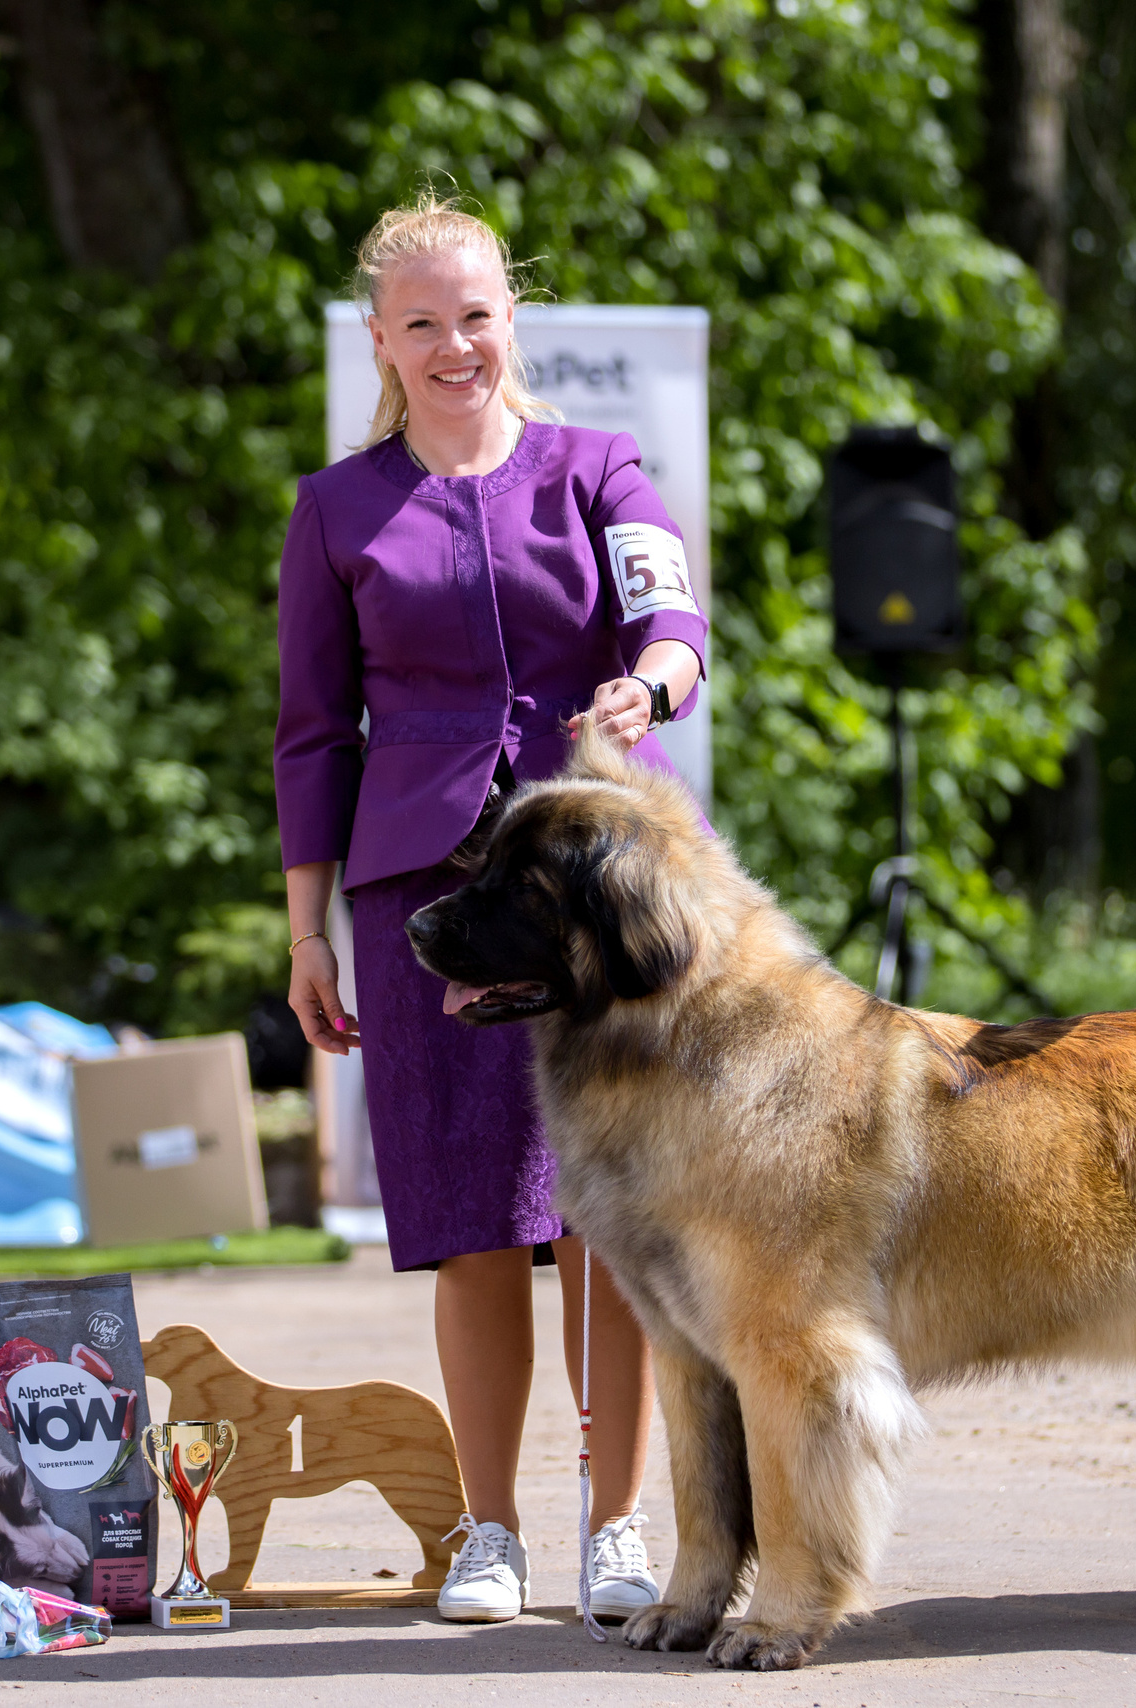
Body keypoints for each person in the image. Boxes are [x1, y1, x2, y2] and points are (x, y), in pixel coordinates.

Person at [273, 193, 708, 1625]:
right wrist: (307, 930)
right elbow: (310, 735)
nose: (453, 344)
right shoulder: (336, 509)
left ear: (509, 316)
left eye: (474, 315)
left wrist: (651, 684)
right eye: (421, 324)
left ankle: (619, 1529)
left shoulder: (597, 466)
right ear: (379, 341)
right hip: (421, 894)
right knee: (471, 1217)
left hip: (587, 879)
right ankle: (488, 1532)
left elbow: (675, 615)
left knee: (609, 1216)